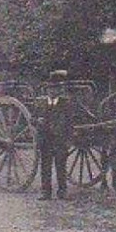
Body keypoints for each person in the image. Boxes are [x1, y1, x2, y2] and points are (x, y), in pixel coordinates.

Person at [35, 70, 75, 200]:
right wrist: (37, 121)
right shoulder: (40, 103)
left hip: (60, 140)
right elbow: (31, 118)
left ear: (59, 90)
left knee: (61, 166)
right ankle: (46, 192)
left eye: (55, 89)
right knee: (45, 167)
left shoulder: (66, 103)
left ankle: (62, 191)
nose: (52, 91)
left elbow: (70, 123)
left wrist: (69, 140)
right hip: (45, 140)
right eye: (50, 89)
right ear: (46, 90)